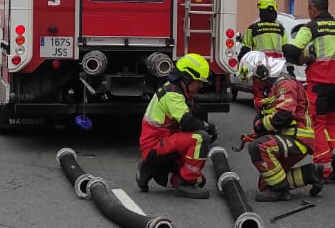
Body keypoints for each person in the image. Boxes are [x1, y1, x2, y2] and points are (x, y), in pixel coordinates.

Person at [282, 0, 335, 182]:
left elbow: (294, 50)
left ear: (313, 9)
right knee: (331, 124)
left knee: (316, 125)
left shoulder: (310, 28)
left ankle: (322, 169)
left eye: (308, 9)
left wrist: (289, 52)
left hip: (319, 86)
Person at [236, 51, 323, 201]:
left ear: (262, 72)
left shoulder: (284, 84)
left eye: (254, 79)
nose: (253, 84)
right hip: (287, 137)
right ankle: (310, 173)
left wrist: (260, 127)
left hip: (297, 138)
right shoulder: (271, 87)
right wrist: (256, 132)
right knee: (265, 185)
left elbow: (284, 114)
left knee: (259, 147)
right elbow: (271, 117)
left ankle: (280, 191)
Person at [136, 54, 219, 199]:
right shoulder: (172, 94)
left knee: (200, 181)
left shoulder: (178, 91)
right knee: (201, 138)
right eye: (199, 81)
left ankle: (150, 169)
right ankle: (186, 184)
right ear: (187, 78)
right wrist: (207, 127)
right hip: (154, 146)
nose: (201, 86)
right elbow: (188, 122)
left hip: (164, 142)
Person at [240, 0, 287, 107]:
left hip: (260, 71)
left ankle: (261, 116)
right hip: (277, 70)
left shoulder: (253, 28)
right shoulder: (281, 29)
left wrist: (242, 69)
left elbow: (245, 51)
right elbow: (286, 50)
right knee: (277, 98)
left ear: (261, 11)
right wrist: (290, 69)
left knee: (259, 98)